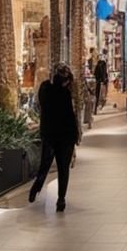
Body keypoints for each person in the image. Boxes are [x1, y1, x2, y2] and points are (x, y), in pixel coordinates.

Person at [28, 64, 81, 212]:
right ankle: (61, 200)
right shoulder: (65, 94)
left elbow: (41, 107)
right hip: (65, 137)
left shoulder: (45, 89)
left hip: (49, 135)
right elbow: (70, 117)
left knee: (44, 165)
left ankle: (36, 187)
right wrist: (75, 136)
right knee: (63, 169)